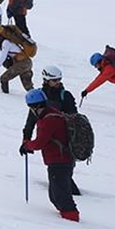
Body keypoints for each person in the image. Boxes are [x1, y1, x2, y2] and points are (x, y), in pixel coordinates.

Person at [20, 89, 80, 222]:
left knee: (61, 196)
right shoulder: (51, 114)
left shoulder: (49, 120)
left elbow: (40, 142)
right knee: (55, 195)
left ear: (35, 106)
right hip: (59, 160)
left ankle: (72, 221)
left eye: (30, 107)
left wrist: (27, 145)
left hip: (60, 161)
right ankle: (66, 219)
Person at [22, 65, 81, 196]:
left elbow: (74, 118)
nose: (58, 82)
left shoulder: (65, 96)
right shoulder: (38, 96)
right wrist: (26, 140)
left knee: (63, 171)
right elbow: (30, 120)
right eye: (54, 80)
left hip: (65, 140)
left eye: (59, 79)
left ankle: (71, 197)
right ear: (46, 79)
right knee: (57, 169)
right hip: (48, 138)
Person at [0, 26, 34, 93]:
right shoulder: (8, 42)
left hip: (22, 63)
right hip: (27, 63)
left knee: (4, 78)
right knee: (28, 86)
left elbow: (2, 57)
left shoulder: (5, 43)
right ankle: (38, 98)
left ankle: (5, 97)